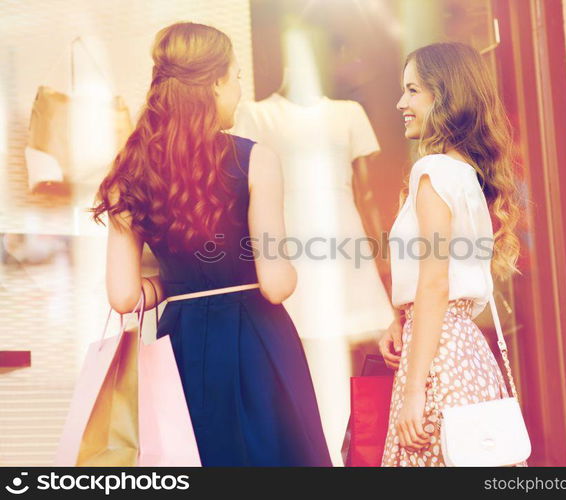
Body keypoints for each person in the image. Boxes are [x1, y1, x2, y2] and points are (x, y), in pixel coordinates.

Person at [89, 22, 331, 467]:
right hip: (257, 342)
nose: (239, 89)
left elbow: (124, 296)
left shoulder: (131, 171)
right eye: (237, 77)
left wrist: (171, 283)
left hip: (180, 346)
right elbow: (275, 284)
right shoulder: (255, 158)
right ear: (217, 81)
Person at [378, 42, 526, 467]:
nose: (400, 103)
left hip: (438, 359)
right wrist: (400, 318)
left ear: (443, 96)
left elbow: (436, 283)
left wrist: (413, 389)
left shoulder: (433, 171)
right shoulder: (465, 174)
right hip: (466, 354)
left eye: (412, 91)